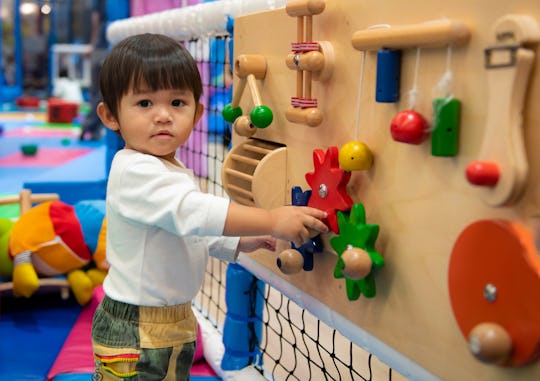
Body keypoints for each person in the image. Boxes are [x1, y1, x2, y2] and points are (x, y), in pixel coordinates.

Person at [91, 33, 329, 380]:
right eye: (144, 104)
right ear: (110, 116)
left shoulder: (168, 168)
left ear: (197, 113)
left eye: (177, 103)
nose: (163, 116)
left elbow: (182, 232)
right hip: (136, 327)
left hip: (171, 322)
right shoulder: (135, 169)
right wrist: (272, 219)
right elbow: (193, 213)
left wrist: (234, 242)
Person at [79, 0, 108, 141]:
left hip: (102, 48)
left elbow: (95, 20)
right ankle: (89, 127)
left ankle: (91, 128)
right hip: (105, 48)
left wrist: (92, 44)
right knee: (101, 93)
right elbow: (96, 20)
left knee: (98, 92)